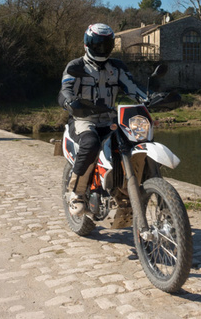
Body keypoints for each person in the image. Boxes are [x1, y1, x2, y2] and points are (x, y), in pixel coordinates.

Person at [58, 23, 147, 216]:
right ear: (87, 44)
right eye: (97, 44)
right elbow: (65, 90)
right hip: (84, 119)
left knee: (134, 141)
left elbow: (133, 88)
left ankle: (126, 188)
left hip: (110, 118)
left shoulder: (117, 67)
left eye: (105, 44)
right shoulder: (76, 66)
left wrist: (150, 97)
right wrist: (70, 102)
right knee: (90, 143)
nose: (101, 48)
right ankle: (76, 193)